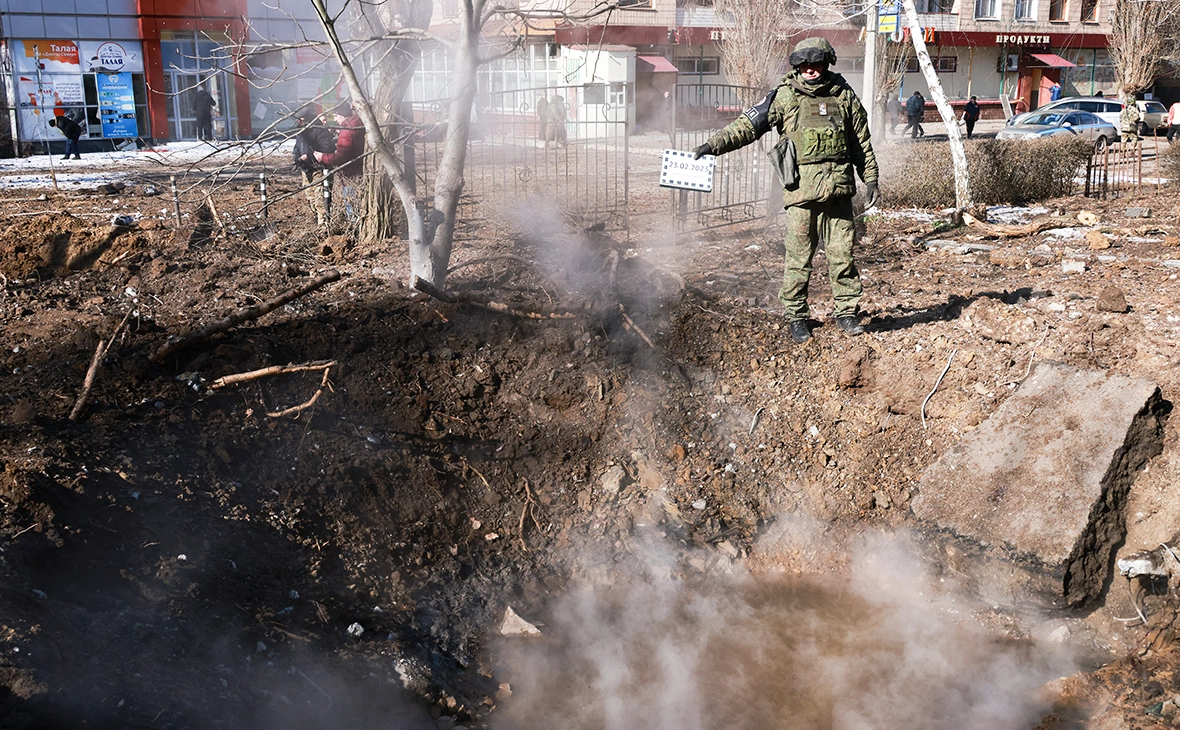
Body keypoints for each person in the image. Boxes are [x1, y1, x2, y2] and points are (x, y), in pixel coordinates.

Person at [692, 36, 878, 344]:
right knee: (798, 258)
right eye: (803, 65)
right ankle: (796, 317)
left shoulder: (844, 96)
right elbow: (747, 127)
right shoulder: (784, 96)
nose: (809, 69)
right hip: (801, 195)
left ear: (826, 63)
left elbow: (861, 142)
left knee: (842, 255)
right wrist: (713, 145)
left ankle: (846, 312)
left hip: (838, 191)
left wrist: (870, 178)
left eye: (815, 63)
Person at [314, 102, 367, 221]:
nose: (336, 120)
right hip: (359, 171)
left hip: (350, 175)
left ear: (342, 115)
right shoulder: (356, 124)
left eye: (336, 116)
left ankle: (354, 227)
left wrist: (323, 157)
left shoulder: (347, 131)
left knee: (352, 207)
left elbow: (341, 157)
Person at [292, 107, 336, 226]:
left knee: (320, 199)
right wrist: (296, 155)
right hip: (306, 169)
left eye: (301, 120)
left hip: (318, 168)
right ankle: (316, 220)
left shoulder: (319, 130)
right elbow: (297, 146)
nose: (299, 122)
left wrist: (309, 156)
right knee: (310, 198)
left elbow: (327, 148)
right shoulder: (301, 131)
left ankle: (324, 225)